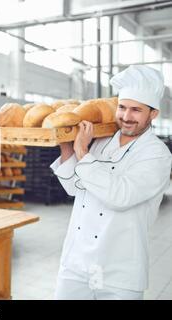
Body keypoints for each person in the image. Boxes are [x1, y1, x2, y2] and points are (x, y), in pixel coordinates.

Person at [51, 65, 172, 300]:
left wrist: (83, 153)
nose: (126, 117)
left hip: (119, 271)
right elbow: (73, 187)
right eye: (122, 107)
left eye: (136, 110)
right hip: (76, 264)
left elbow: (121, 196)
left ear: (153, 113)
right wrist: (66, 142)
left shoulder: (157, 155)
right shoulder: (99, 142)